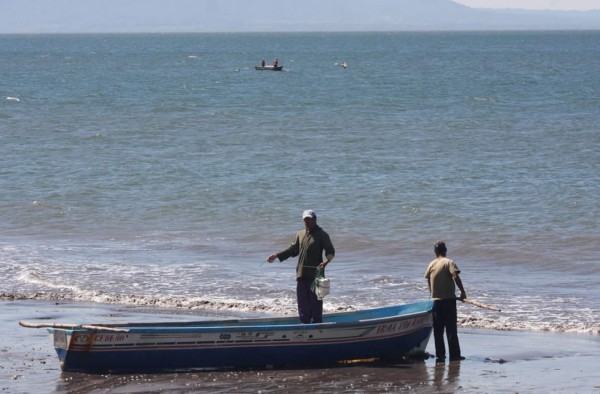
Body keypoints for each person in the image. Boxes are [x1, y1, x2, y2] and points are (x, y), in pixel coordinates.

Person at [267, 209, 335, 324]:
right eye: (305, 220)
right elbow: (292, 250)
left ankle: (318, 328)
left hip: (316, 276)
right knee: (303, 306)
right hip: (301, 274)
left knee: (316, 306)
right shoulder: (300, 234)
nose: (307, 222)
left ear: (315, 219)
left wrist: (326, 262)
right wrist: (277, 256)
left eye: (309, 219)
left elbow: (331, 252)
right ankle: (304, 328)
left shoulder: (322, 235)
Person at [424, 241, 467, 363]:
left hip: (436, 301)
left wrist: (432, 293)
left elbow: (428, 280)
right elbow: (455, 276)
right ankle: (455, 355)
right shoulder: (449, 262)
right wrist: (463, 292)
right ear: (445, 250)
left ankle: (440, 356)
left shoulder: (431, 264)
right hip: (448, 301)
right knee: (451, 329)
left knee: (438, 330)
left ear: (435, 252)